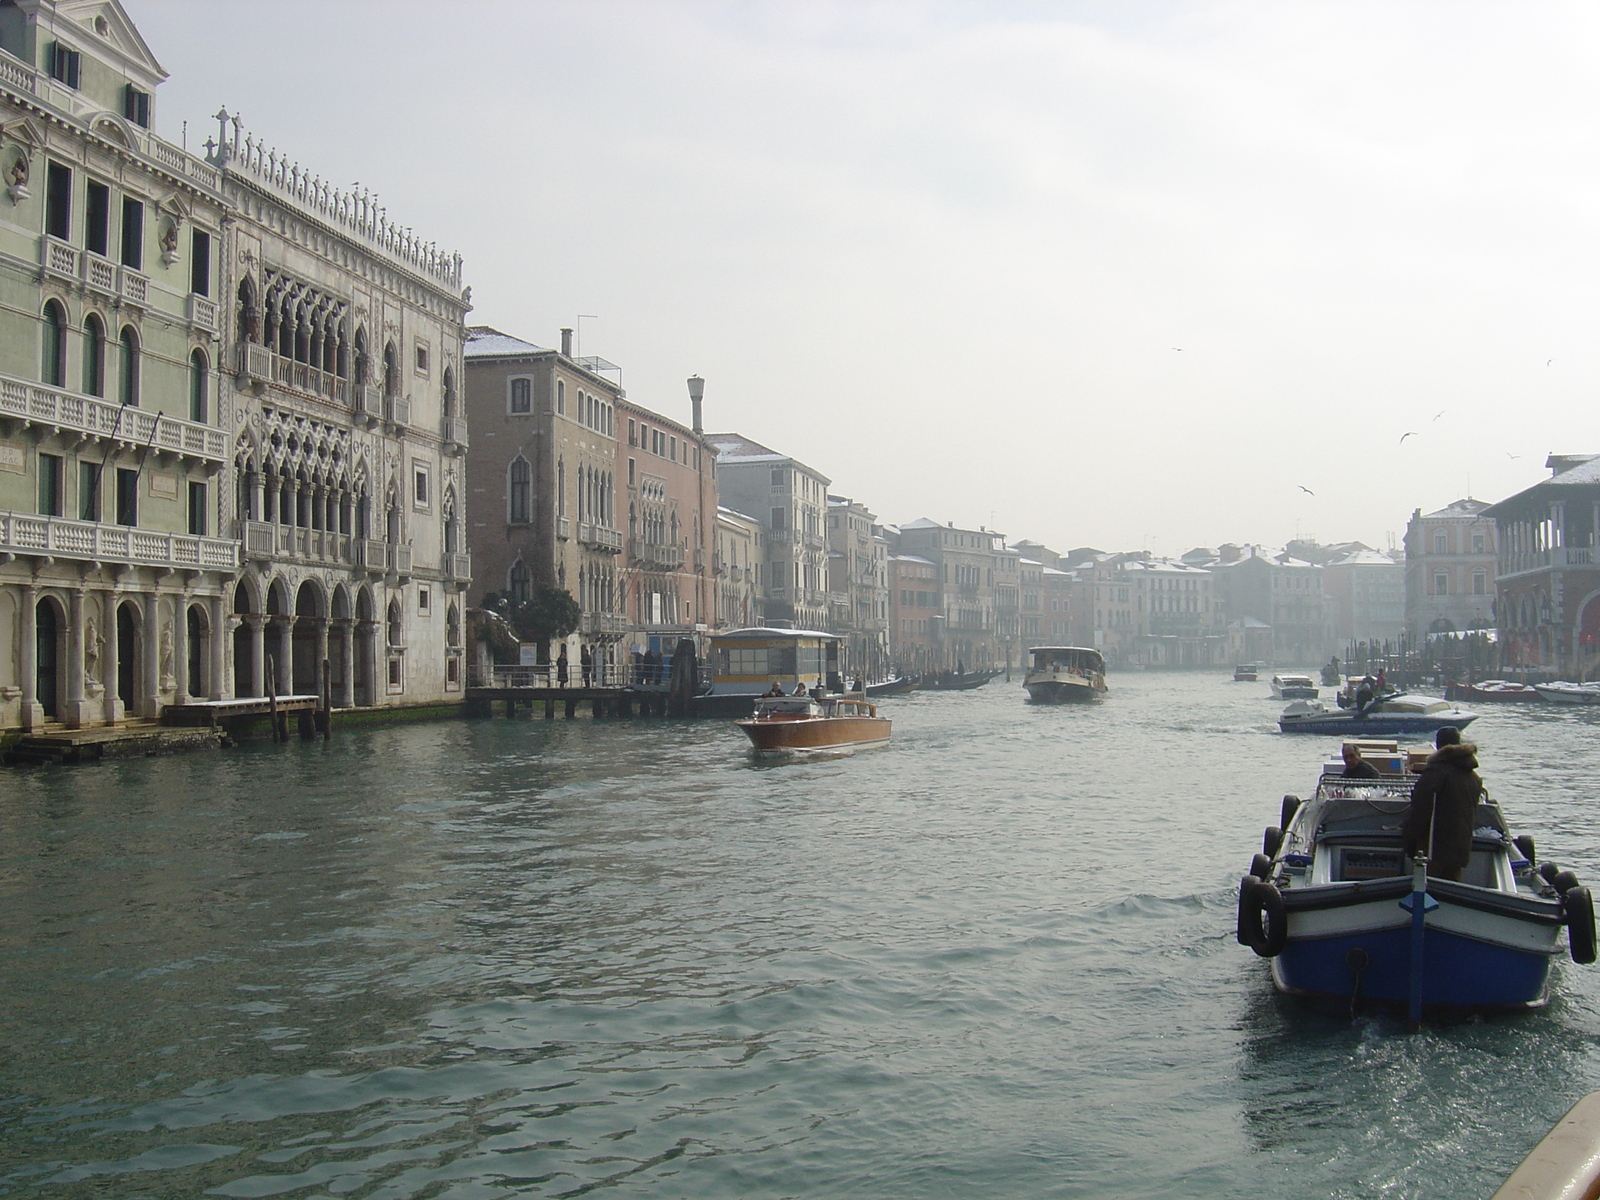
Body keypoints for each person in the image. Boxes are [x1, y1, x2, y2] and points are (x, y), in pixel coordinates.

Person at [1402, 726, 1483, 881]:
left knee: (1428, 885)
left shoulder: (1436, 773)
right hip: (1460, 844)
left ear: (1438, 745)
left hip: (1434, 846)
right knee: (1452, 886)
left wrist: (1411, 838)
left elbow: (1421, 810)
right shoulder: (1473, 776)